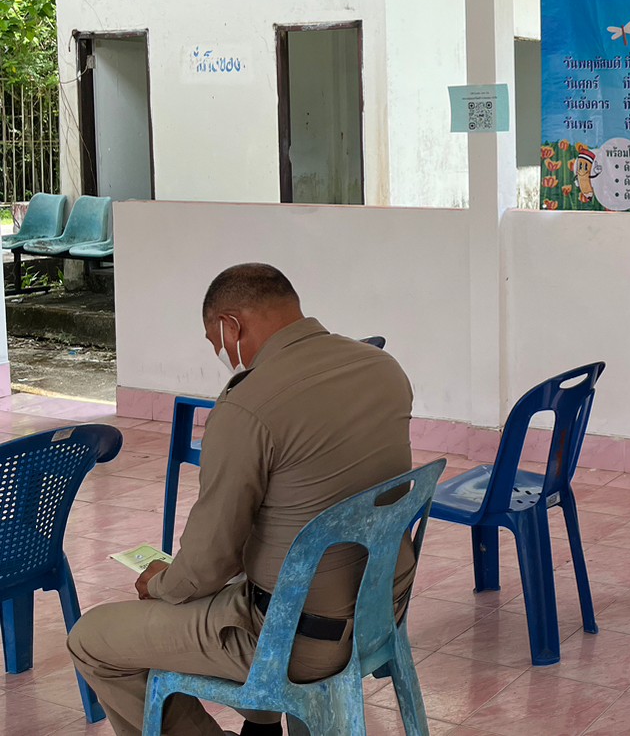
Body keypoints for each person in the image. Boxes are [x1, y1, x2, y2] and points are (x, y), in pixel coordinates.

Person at [69, 264, 417, 736]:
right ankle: (260, 727)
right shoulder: (381, 369)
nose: (223, 354)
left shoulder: (246, 407)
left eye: (216, 342)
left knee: (93, 640)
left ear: (230, 326)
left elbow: (208, 563)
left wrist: (163, 583)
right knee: (256, 576)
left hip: (297, 641)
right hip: (380, 611)